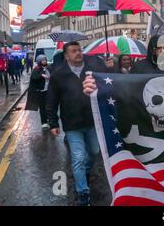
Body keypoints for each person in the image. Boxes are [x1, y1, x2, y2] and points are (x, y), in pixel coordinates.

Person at [47, 41, 114, 206]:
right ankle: (83, 193)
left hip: (92, 121)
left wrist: (110, 67)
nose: (78, 53)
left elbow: (109, 81)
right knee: (78, 157)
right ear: (66, 55)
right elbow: (51, 100)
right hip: (72, 124)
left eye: (79, 50)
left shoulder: (92, 67)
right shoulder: (58, 74)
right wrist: (53, 123)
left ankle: (84, 171)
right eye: (73, 51)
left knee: (94, 152)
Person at [25, 55, 51, 129]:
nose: (44, 61)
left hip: (48, 91)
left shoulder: (48, 67)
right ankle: (44, 122)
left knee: (49, 106)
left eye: (45, 60)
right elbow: (34, 78)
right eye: (43, 60)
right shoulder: (36, 69)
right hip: (40, 92)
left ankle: (49, 119)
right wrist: (42, 75)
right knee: (42, 107)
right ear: (39, 61)